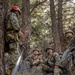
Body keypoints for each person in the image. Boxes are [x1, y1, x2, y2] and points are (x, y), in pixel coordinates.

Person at [5, 6, 24, 75]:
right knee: (15, 60)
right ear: (16, 11)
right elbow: (14, 23)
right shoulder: (12, 15)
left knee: (13, 60)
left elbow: (16, 39)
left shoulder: (10, 15)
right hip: (12, 40)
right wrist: (19, 31)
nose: (18, 15)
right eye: (18, 13)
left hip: (13, 40)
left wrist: (21, 44)